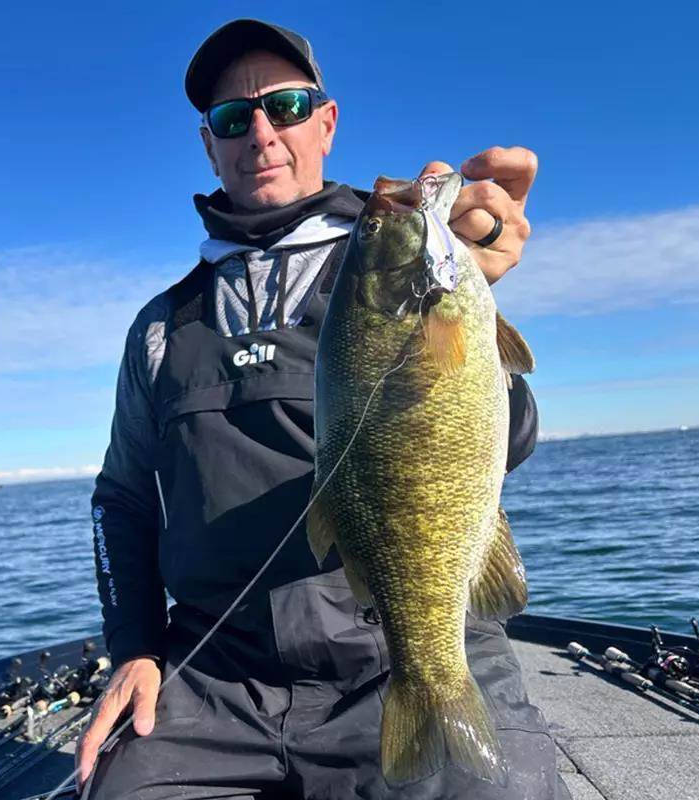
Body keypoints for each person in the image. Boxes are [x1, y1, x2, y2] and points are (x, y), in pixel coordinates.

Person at [78, 18, 569, 800]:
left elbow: (506, 440)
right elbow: (122, 499)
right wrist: (135, 647)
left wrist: (471, 298)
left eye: (287, 106)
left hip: (395, 644)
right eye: (233, 118)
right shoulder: (162, 328)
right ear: (209, 144)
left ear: (327, 123)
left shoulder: (389, 264)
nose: (262, 132)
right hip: (216, 674)